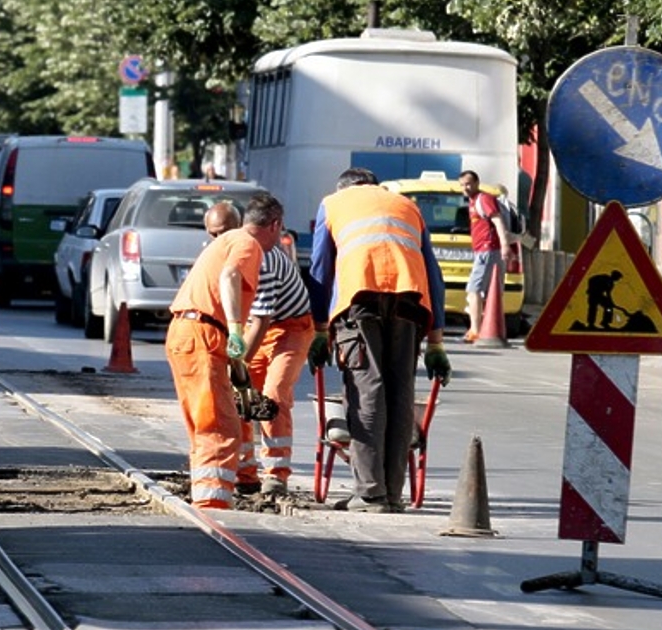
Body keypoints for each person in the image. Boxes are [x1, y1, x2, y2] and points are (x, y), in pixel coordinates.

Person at [308, 167, 451, 514]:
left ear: (344, 187)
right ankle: (392, 494)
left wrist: (320, 331)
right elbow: (434, 275)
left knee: (367, 389)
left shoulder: (333, 203)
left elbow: (320, 271)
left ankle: (370, 495)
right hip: (409, 302)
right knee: (399, 391)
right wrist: (435, 344)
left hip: (360, 300)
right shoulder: (406, 205)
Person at [167, 195, 284, 509]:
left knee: (206, 422)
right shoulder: (248, 244)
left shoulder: (227, 241)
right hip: (203, 334)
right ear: (275, 226)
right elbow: (230, 277)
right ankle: (212, 505)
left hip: (187, 333)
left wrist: (236, 362)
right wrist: (235, 328)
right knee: (220, 426)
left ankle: (206, 495)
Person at [202, 201, 314, 498]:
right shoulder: (228, 254)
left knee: (273, 396)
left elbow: (261, 321)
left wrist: (237, 366)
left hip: (290, 328)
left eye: (223, 233)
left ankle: (276, 475)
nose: (219, 241)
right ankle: (245, 471)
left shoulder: (262, 259)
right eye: (213, 235)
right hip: (254, 327)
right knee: (237, 395)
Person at [459, 170, 511, 343]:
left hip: (488, 250)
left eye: (468, 184)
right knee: (489, 292)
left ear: (476, 183)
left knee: (473, 289)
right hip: (484, 250)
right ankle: (489, 329)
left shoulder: (484, 199)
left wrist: (504, 245)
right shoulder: (473, 202)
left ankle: (475, 330)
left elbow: (497, 220)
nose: (465, 188)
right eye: (462, 185)